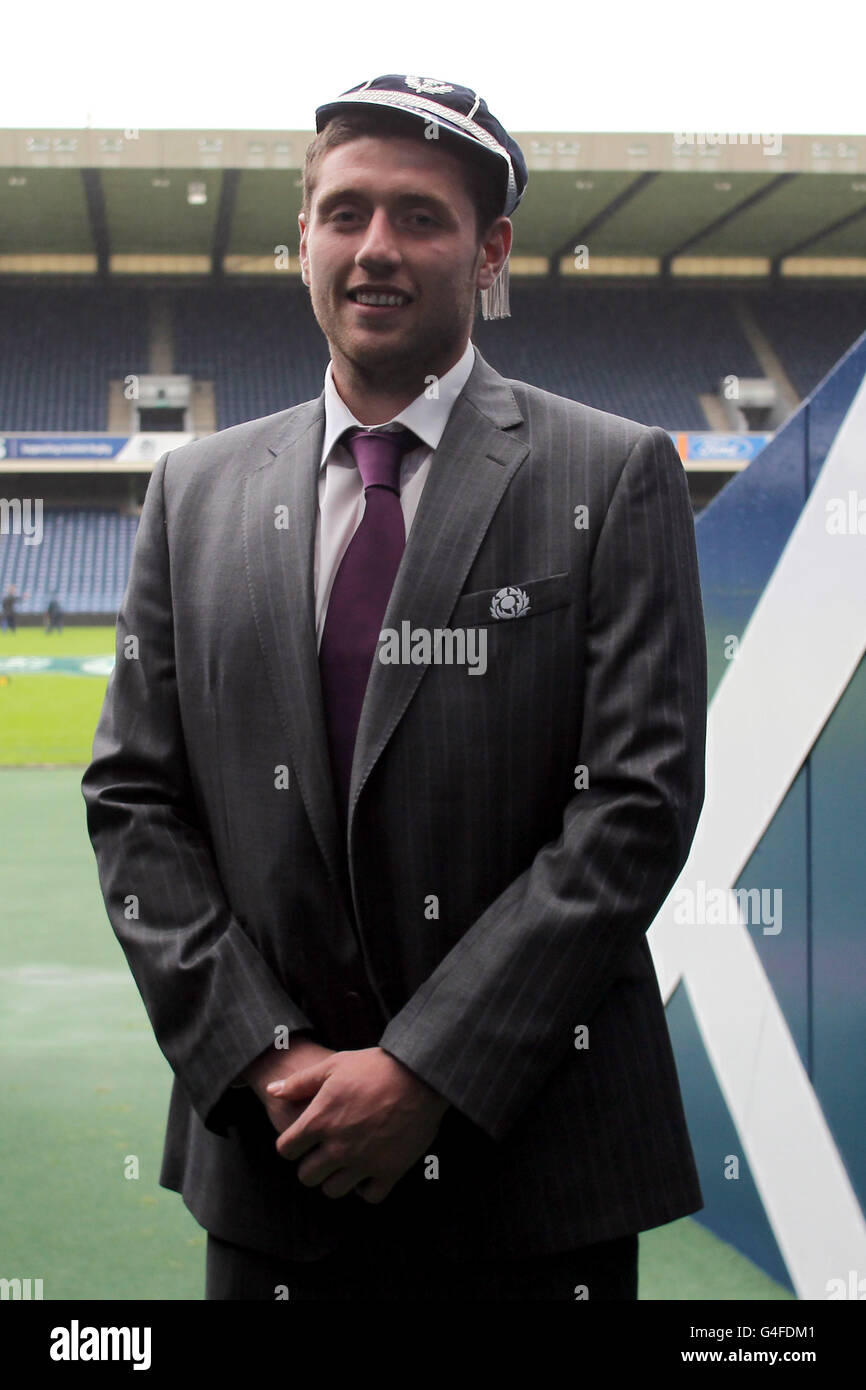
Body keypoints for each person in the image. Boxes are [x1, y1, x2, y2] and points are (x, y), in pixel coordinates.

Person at [81, 74, 708, 1302]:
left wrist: (423, 1071)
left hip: (532, 1179)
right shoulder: (192, 490)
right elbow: (135, 799)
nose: (377, 248)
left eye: (420, 217)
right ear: (302, 239)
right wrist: (267, 1058)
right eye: (345, 212)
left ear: (489, 252)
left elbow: (633, 808)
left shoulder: (612, 471)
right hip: (279, 1165)